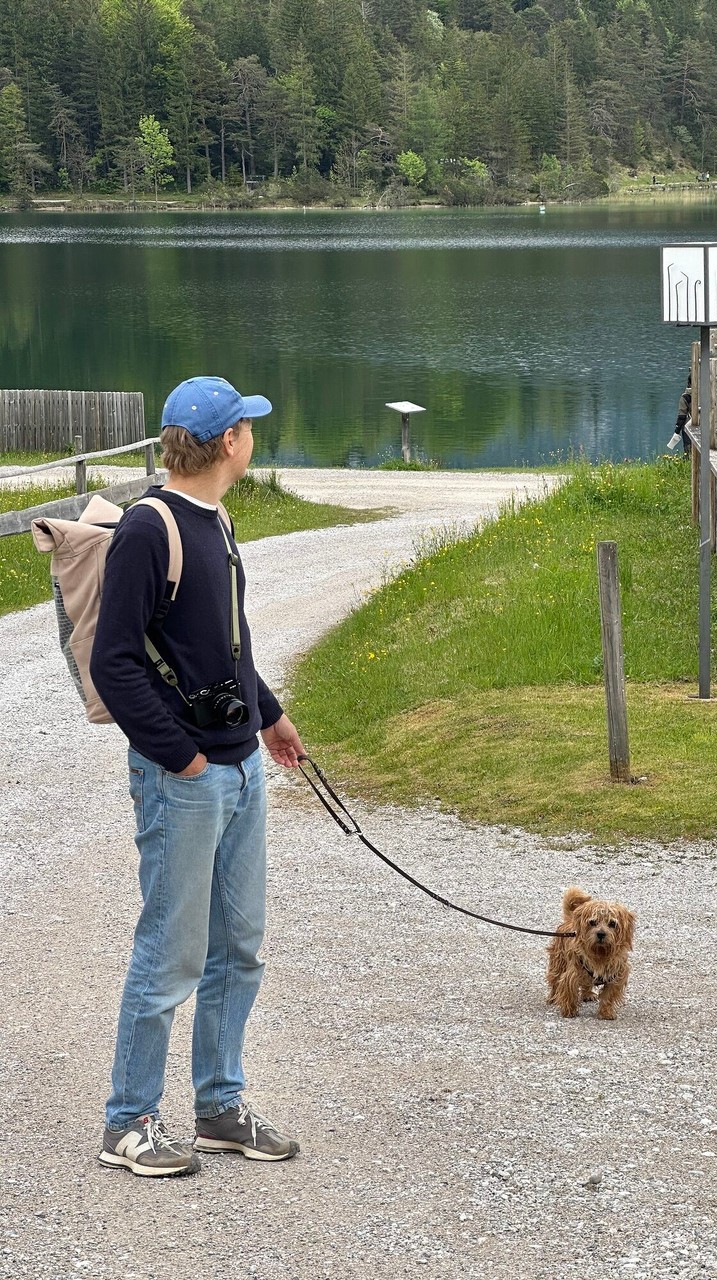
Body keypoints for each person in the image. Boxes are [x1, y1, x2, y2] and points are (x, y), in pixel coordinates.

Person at [90, 375, 306, 1177]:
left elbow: (230, 641)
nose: (253, 433)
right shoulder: (150, 529)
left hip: (242, 764)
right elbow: (114, 662)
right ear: (227, 444)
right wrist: (178, 758)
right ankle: (128, 1121)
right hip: (184, 779)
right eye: (247, 425)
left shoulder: (216, 520)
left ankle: (218, 1106)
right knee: (172, 950)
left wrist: (270, 715)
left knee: (238, 947)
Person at [668, 371, 692, 455]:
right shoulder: (706, 395)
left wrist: (677, 431)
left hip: (688, 427)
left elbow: (682, 416)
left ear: (688, 383)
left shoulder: (685, 397)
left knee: (688, 449)